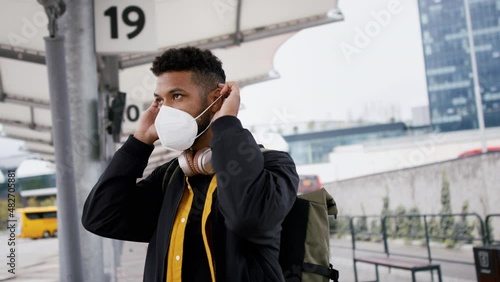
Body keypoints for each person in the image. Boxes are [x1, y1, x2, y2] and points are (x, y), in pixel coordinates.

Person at [82, 46, 299, 282]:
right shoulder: (171, 177)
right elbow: (101, 217)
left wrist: (226, 123)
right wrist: (138, 143)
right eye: (159, 100)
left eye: (176, 96)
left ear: (216, 99)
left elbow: (248, 219)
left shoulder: (273, 165)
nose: (165, 110)